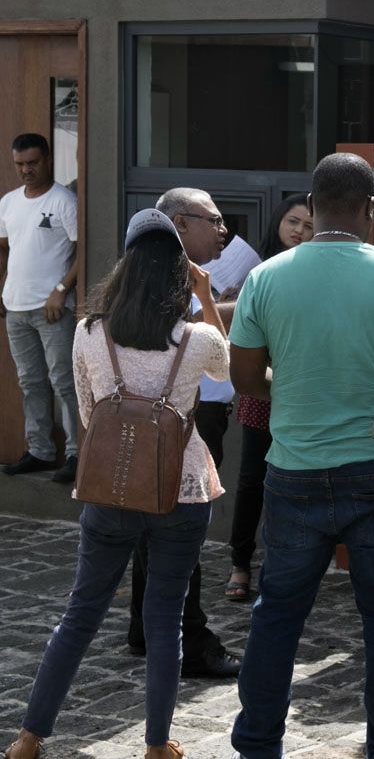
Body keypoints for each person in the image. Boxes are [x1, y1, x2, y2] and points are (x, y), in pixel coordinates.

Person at [228, 153, 374, 759]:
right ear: (366, 204)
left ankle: (255, 743)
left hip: (295, 468)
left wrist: (295, 383)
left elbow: (246, 378)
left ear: (314, 200)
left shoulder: (266, 276)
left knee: (278, 615)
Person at [1, 208, 229, 759]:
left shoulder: (87, 333)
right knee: (165, 616)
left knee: (80, 614)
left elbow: (86, 412)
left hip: (111, 487)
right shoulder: (195, 338)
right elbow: (226, 373)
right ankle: (157, 744)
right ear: (180, 269)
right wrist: (204, 295)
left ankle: (30, 739)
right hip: (182, 488)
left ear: (125, 267)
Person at [126, 187, 239, 679]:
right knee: (177, 545)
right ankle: (187, 640)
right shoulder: (172, 289)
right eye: (212, 221)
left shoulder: (136, 288)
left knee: (148, 540)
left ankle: (144, 630)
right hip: (173, 439)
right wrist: (207, 298)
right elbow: (222, 363)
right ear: (178, 223)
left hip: (137, 440)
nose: (223, 231)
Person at [225, 193, 312, 603]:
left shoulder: (317, 272)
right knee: (252, 480)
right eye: (293, 221)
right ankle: (240, 563)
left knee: (295, 481)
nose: (299, 231)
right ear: (278, 221)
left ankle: (283, 565)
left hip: (303, 394)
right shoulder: (258, 273)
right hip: (262, 393)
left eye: (309, 225)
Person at [0, 133, 81, 483]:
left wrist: (61, 290)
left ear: (47, 160)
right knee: (30, 382)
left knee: (64, 381)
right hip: (16, 308)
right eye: (20, 164)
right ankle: (40, 451)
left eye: (32, 163)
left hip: (52, 309)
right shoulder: (8, 201)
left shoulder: (64, 200)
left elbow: (83, 250)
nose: (26, 170)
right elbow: (6, 247)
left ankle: (78, 454)